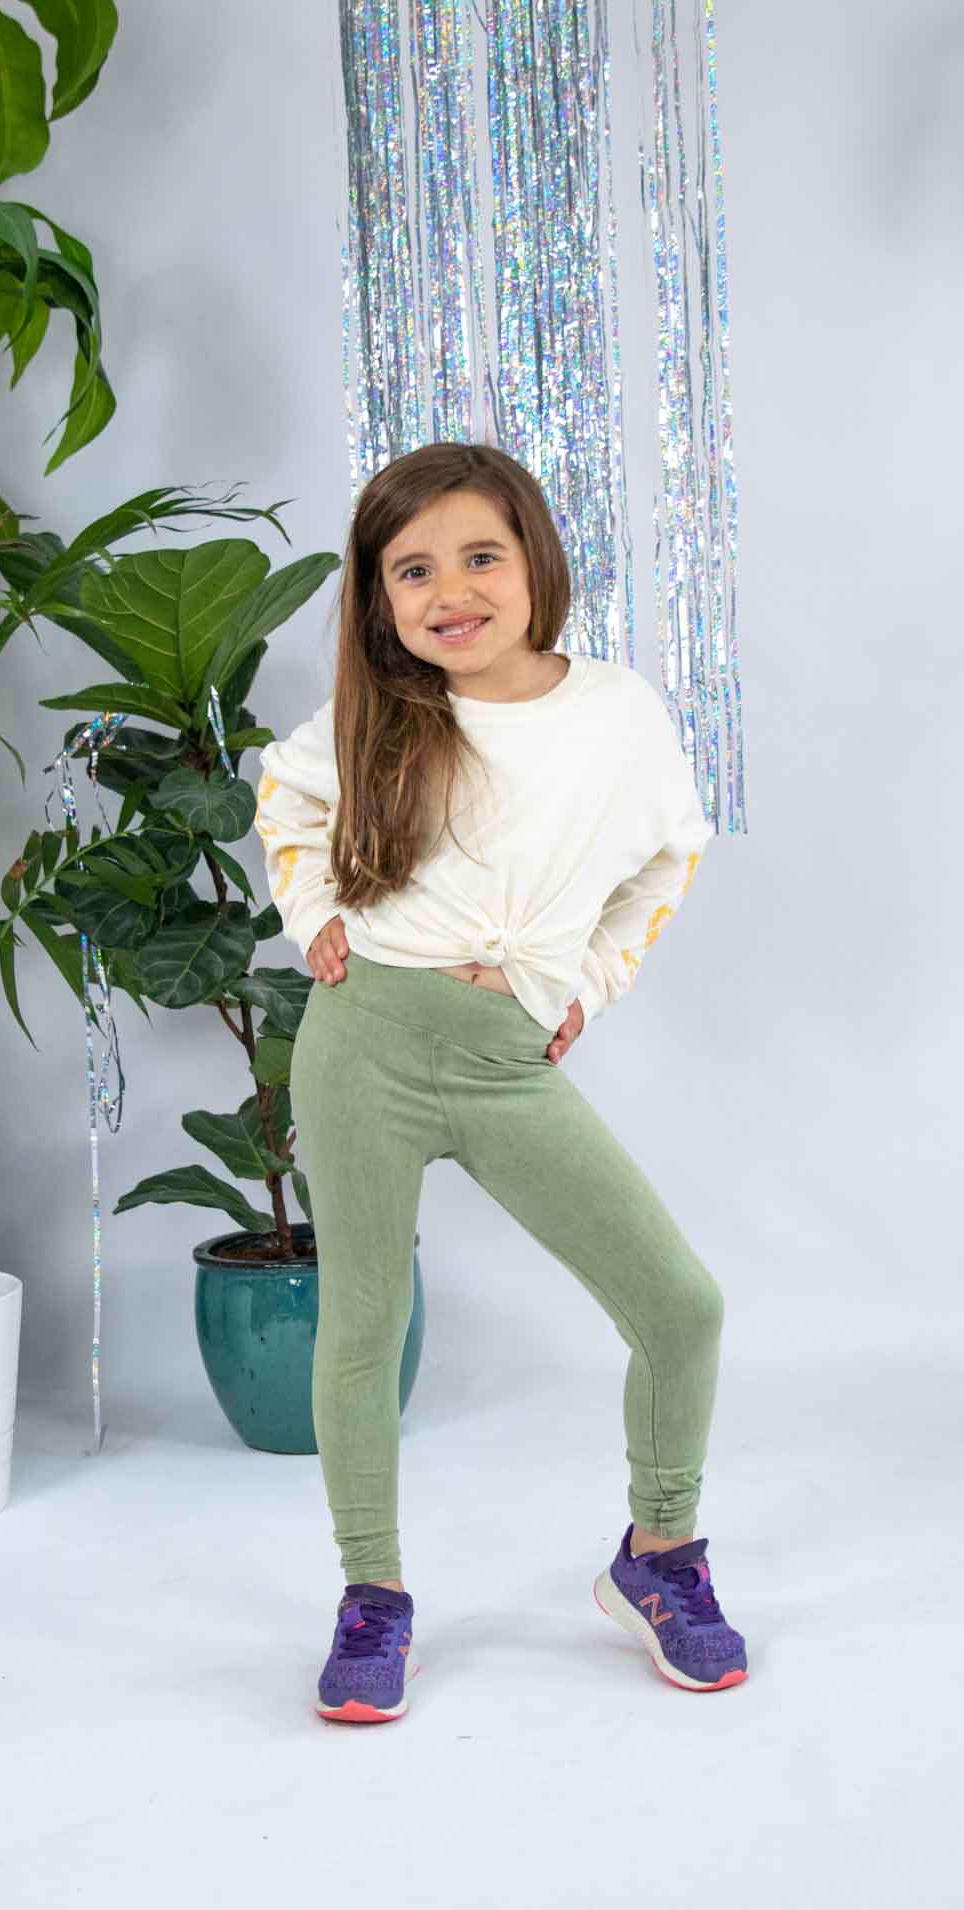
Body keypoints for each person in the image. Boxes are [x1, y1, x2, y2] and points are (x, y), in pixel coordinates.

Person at [254, 441, 746, 1723]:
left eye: (481, 555)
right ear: (381, 599)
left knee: (680, 1305)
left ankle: (659, 1555)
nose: (451, 590)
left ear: (536, 562)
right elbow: (285, 799)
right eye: (412, 570)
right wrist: (313, 915)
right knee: (363, 1325)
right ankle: (373, 1593)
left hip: (503, 1059)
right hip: (362, 1041)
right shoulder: (377, 713)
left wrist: (589, 982)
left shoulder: (619, 715)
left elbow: (670, 857)